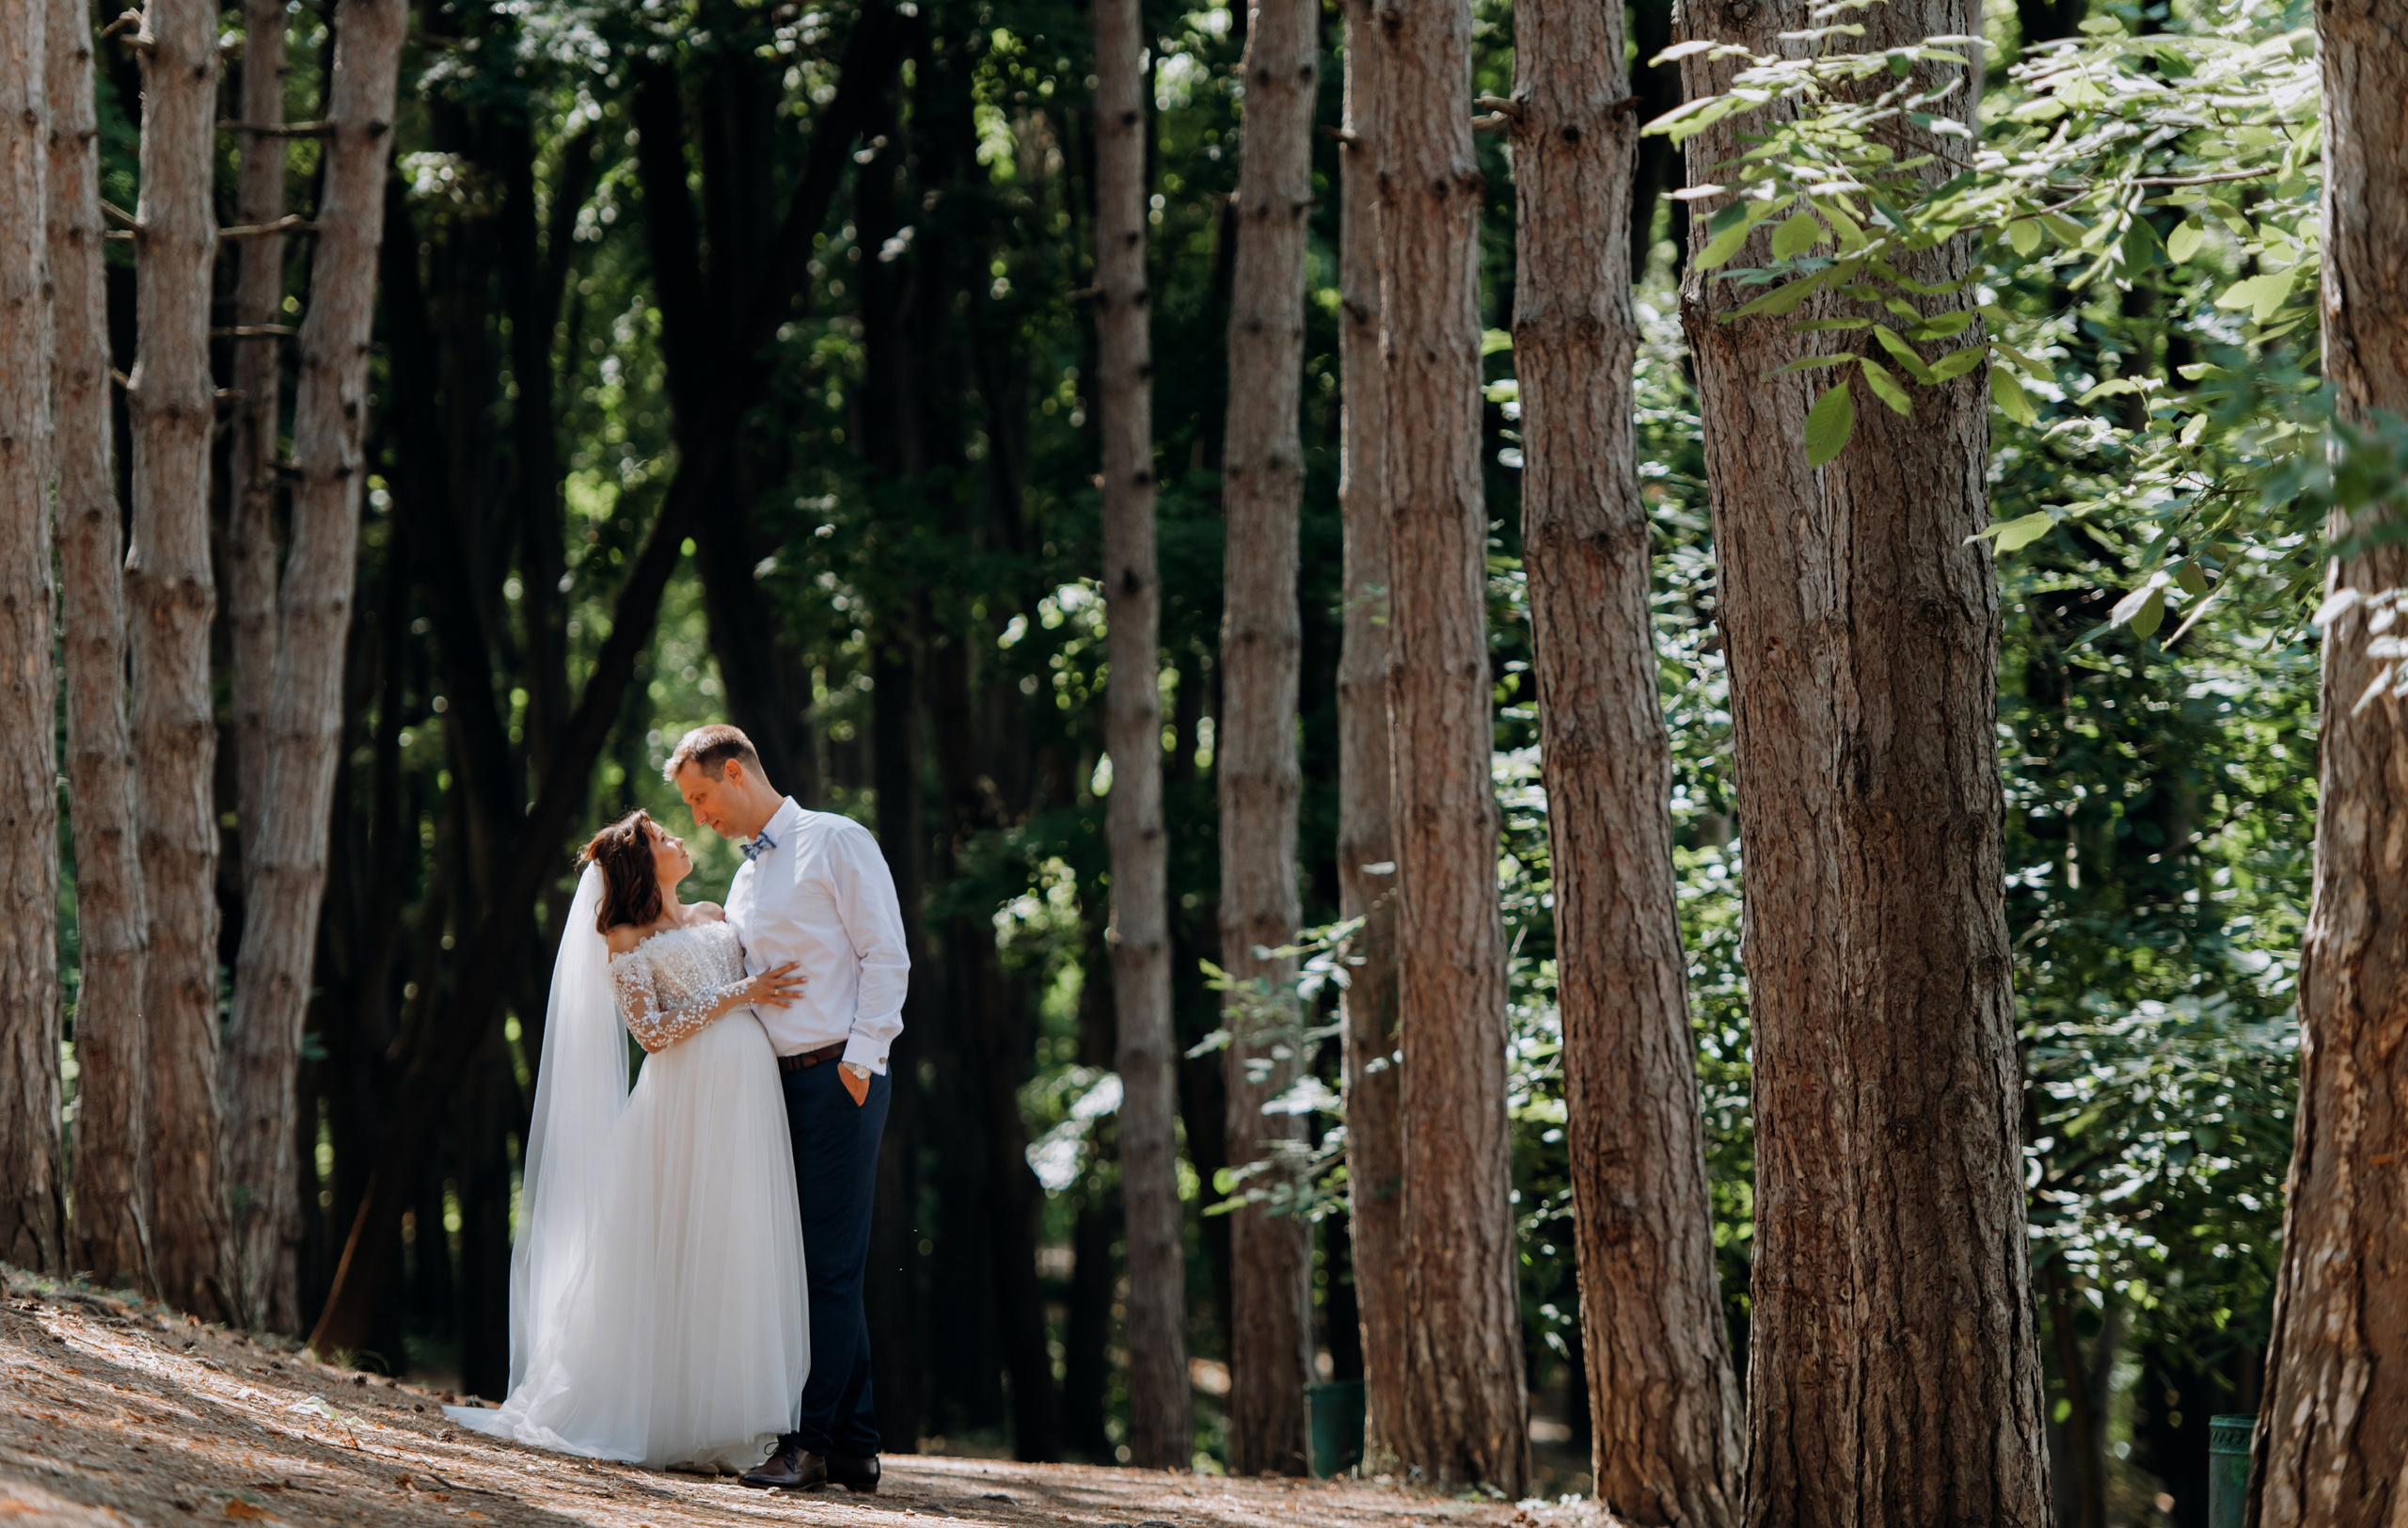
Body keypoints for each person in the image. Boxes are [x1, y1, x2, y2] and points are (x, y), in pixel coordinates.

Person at [444, 812, 812, 1470]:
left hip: (747, 1096)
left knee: (735, 1241)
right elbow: (652, 1033)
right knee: (676, 1242)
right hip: (684, 1102)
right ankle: (662, 1414)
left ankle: (731, 1418)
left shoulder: (712, 914)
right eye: (664, 838)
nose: (680, 840)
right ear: (643, 863)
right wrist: (741, 994)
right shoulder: (624, 938)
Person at [664, 724, 909, 1494]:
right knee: (810, 1264)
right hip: (773, 1090)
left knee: (827, 1269)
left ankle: (806, 1445)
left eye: (701, 796)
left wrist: (861, 1061)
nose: (699, 815)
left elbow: (885, 953)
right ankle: (857, 1446)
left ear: (735, 773)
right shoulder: (745, 878)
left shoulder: (836, 841)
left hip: (839, 1076)